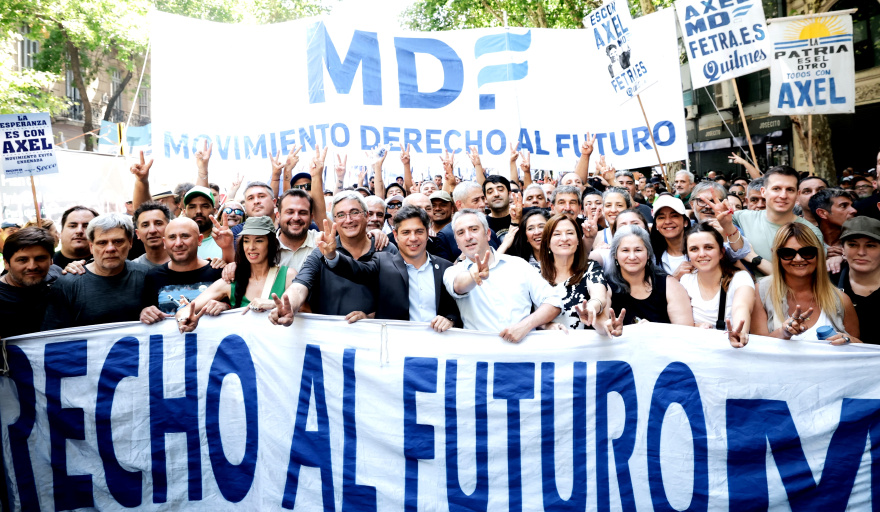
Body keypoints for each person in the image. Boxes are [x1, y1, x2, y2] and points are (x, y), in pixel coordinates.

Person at [314, 206, 461, 331]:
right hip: (394, 351)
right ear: (395, 236)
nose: (413, 238)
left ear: (428, 232)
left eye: (419, 231)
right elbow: (355, 270)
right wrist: (332, 255)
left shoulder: (445, 267)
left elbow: (456, 309)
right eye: (406, 232)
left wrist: (450, 320)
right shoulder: (382, 262)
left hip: (436, 351)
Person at [270, 191, 399, 323]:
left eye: (354, 212)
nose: (348, 220)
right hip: (330, 338)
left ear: (366, 215)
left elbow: (396, 299)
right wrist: (289, 305)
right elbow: (300, 285)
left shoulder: (387, 249)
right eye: (341, 215)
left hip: (376, 336)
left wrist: (370, 318)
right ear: (335, 220)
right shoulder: (322, 251)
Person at [443, 209, 562, 342]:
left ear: (488, 234)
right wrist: (473, 275)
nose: (468, 237)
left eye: (474, 229)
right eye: (461, 233)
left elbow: (553, 302)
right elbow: (458, 286)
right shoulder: (452, 272)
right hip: (480, 358)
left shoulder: (519, 265)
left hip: (524, 354)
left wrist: (526, 325)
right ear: (457, 242)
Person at [176, 216, 297, 332]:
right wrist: (184, 319)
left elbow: (306, 314)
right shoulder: (230, 280)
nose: (251, 247)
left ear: (271, 243)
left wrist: (273, 305)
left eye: (259, 240)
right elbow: (185, 310)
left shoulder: (288, 276)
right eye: (246, 241)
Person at [751, 223, 860, 344]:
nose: (798, 259)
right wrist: (784, 332)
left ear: (818, 254)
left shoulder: (841, 300)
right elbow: (758, 347)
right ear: (777, 255)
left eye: (807, 252)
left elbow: (859, 352)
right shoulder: (761, 291)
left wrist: (847, 340)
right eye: (788, 253)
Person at [42, 213, 150, 330]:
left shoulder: (146, 276)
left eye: (118, 241)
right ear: (91, 247)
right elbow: (53, 337)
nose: (110, 248)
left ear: (130, 243)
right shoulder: (67, 284)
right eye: (102, 243)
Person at [733, 167, 824, 276]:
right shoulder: (742, 217)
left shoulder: (811, 232)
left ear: (797, 194)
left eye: (790, 190)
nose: (783, 196)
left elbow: (810, 278)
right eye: (776, 189)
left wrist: (753, 257)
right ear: (763, 191)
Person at [680, 222, 754, 347]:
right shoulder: (685, 281)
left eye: (708, 247)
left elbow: (741, 307)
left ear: (721, 252)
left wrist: (739, 332)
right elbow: (680, 324)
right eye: (694, 249)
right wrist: (695, 326)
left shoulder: (740, 278)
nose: (702, 254)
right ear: (688, 255)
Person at [537, 214, 615, 334]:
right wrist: (547, 325)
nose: (564, 238)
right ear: (547, 242)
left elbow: (599, 296)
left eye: (570, 233)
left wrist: (591, 307)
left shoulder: (591, 267)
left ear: (578, 240)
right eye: (557, 234)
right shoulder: (534, 271)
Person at [139, 217, 226, 323]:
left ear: (199, 239)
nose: (178, 243)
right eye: (172, 237)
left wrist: (225, 307)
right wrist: (145, 313)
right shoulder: (152, 277)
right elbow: (145, 316)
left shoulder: (219, 272)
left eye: (185, 236)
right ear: (164, 243)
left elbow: (240, 311)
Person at [605, 226, 694, 326]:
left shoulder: (669, 284)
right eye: (625, 250)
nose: (632, 257)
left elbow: (686, 331)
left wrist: (653, 330)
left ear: (648, 254)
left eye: (638, 250)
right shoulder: (605, 286)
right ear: (615, 255)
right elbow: (600, 324)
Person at [0, 228, 61, 337]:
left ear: (51, 260)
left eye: (40, 258)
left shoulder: (58, 276)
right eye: (22, 260)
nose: (32, 266)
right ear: (6, 263)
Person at [836, 217, 880, 342]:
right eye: (853, 245)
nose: (861, 252)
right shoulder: (828, 282)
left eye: (871, 245)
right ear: (842, 249)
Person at [434, 181, 500, 262]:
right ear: (459, 205)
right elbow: (443, 271)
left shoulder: (490, 231)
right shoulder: (445, 236)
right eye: (476, 200)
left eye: (483, 198)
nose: (482, 204)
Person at [276, 189, 320, 272]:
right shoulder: (266, 246)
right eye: (290, 212)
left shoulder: (322, 242)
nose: (296, 218)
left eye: (302, 213)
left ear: (311, 218)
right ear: (278, 216)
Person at [649, 195, 692, 278]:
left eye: (674, 216)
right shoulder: (652, 258)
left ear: (685, 222)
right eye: (661, 217)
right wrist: (674, 278)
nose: (668, 221)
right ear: (656, 225)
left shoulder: (700, 251)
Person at [182, 185, 227, 260]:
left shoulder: (225, 240)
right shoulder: (176, 242)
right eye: (192, 207)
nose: (198, 211)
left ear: (215, 211)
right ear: (184, 212)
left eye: (205, 206)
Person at [132, 202, 173, 268]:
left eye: (158, 223)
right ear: (137, 233)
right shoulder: (133, 270)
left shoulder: (187, 263)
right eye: (145, 225)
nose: (152, 230)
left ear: (169, 228)